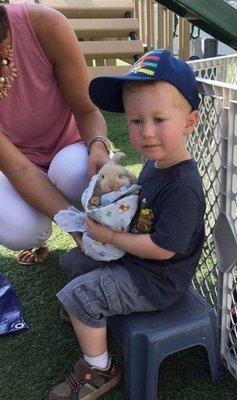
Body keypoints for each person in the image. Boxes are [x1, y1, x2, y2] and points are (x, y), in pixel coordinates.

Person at [49, 48, 205, 400]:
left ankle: (99, 368)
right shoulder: (155, 161)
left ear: (189, 122)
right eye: (136, 121)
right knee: (72, 261)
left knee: (80, 293)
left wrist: (111, 236)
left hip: (156, 281)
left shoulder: (183, 187)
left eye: (158, 120)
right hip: (135, 261)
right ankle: (87, 317)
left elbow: (163, 250)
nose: (146, 132)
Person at [0, 2, 110, 265]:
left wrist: (97, 145)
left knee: (78, 174)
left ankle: (102, 223)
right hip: (15, 163)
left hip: (68, 145)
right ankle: (41, 236)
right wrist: (74, 226)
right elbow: (19, 169)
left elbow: (87, 111)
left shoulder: (45, 24)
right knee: (20, 230)